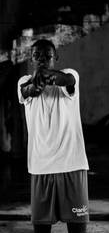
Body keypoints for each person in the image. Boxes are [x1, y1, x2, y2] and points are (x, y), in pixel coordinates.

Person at [17, 39, 89, 233]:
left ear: (55, 58)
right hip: (41, 167)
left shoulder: (69, 75)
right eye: (37, 56)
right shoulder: (24, 81)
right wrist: (37, 81)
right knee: (41, 230)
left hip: (72, 164)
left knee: (77, 229)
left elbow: (68, 81)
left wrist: (44, 74)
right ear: (31, 59)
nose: (42, 60)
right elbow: (29, 90)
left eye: (47, 56)